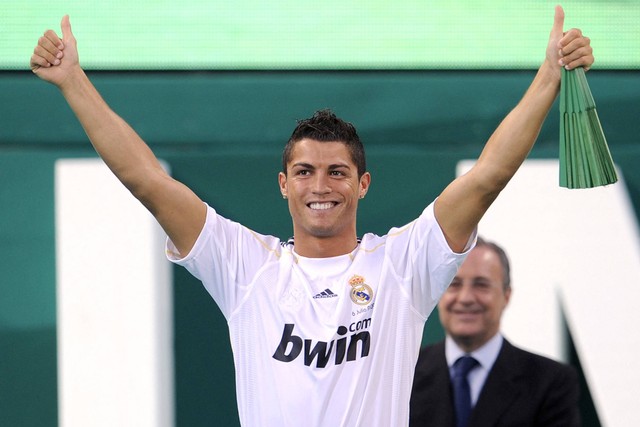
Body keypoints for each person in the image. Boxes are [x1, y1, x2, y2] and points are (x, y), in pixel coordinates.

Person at [30, 6, 593, 427]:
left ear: (363, 184)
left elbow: (487, 176)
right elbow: (147, 182)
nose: (319, 186)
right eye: (304, 172)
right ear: (283, 185)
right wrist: (74, 82)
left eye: (336, 172)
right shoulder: (246, 267)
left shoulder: (400, 265)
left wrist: (548, 76)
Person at [410, 237, 580, 427]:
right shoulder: (406, 374)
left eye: (481, 285)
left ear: (506, 296)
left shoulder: (551, 382)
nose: (465, 298)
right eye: (453, 284)